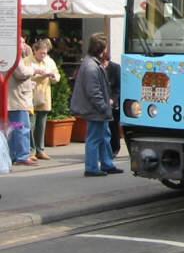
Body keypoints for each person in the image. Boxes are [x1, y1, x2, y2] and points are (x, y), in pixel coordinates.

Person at [70, 33, 123, 177]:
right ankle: (92, 167)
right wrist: (104, 107)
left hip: (97, 108)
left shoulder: (91, 63)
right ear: (101, 48)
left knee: (104, 135)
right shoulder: (91, 66)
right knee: (95, 138)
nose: (107, 50)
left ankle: (107, 163)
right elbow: (93, 92)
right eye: (105, 47)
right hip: (95, 109)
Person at [27, 38, 60, 160]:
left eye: (45, 53)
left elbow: (57, 75)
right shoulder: (27, 61)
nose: (43, 55)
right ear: (34, 50)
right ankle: (31, 151)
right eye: (41, 53)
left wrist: (53, 77)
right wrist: (41, 76)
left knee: (42, 124)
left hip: (44, 96)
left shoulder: (49, 61)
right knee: (31, 124)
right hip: (31, 96)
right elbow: (25, 77)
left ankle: (40, 150)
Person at [8, 36, 37, 166]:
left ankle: (14, 154)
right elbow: (21, 73)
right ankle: (22, 155)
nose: (24, 45)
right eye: (22, 42)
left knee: (14, 128)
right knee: (21, 127)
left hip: (12, 100)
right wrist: (34, 69)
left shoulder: (8, 54)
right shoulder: (15, 56)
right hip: (17, 100)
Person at [103, 54, 121, 157]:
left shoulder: (115, 68)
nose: (104, 65)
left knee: (113, 125)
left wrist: (113, 99)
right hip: (103, 100)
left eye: (105, 62)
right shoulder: (99, 68)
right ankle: (106, 148)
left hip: (114, 101)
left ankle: (115, 148)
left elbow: (118, 87)